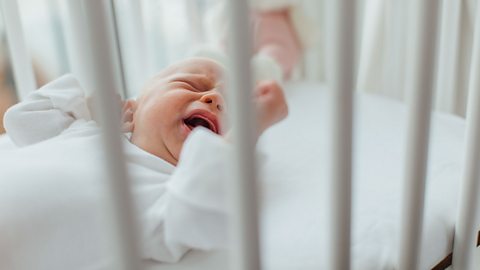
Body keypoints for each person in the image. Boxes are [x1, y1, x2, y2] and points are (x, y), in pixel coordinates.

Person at [2, 57, 287, 264]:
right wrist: (86, 108)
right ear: (132, 107)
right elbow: (21, 120)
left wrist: (253, 125)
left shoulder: (168, 195)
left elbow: (208, 213)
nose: (214, 98)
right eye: (191, 84)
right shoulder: (87, 131)